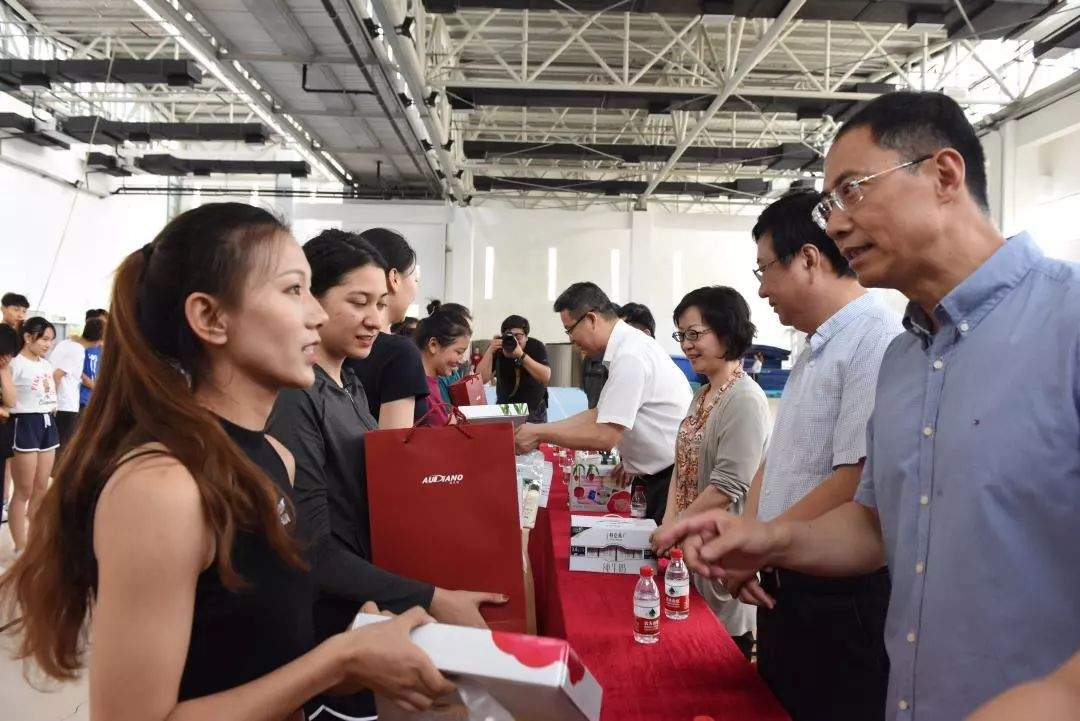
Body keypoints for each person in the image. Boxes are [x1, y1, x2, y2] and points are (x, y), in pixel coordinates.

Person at [655, 91, 1080, 721]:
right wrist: (769, 538)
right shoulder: (905, 360)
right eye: (829, 205)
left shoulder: (1067, 324)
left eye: (853, 191)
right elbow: (874, 524)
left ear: (943, 175)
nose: (835, 224)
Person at [0, 203, 455, 719]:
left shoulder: (274, 456)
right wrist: (336, 661)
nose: (318, 314)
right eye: (293, 290)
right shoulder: (165, 488)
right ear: (211, 317)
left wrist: (354, 648)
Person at [268, 232, 504, 720]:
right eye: (358, 302)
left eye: (380, 302)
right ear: (309, 299)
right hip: (330, 627)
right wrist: (434, 597)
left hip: (367, 608)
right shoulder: (297, 397)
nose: (376, 319)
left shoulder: (349, 382)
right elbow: (313, 549)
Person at [651, 286, 769, 660]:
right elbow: (681, 463)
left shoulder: (745, 399)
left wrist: (679, 525)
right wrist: (669, 524)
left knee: (719, 651)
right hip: (686, 548)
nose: (686, 344)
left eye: (695, 334)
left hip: (718, 550)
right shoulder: (701, 394)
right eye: (681, 335)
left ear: (727, 330)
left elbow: (728, 485)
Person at [515, 282, 693, 523]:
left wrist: (540, 433)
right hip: (655, 472)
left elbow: (604, 435)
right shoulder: (625, 349)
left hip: (668, 479)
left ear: (591, 319)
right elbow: (599, 414)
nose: (571, 340)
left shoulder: (630, 355)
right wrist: (540, 430)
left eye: (569, 330)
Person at [344, 227, 430, 429]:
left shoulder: (339, 347)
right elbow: (394, 451)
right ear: (394, 279)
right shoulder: (400, 353)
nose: (416, 289)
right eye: (414, 279)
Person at [7, 317, 59, 553]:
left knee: (41, 486)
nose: (48, 344)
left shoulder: (45, 365)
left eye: (51, 340)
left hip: (47, 423)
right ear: (28, 337)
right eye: (44, 339)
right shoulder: (14, 363)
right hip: (25, 422)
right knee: (24, 489)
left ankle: (35, 540)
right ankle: (20, 545)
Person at [476, 314, 551, 422]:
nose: (514, 341)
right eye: (510, 336)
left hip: (533, 409)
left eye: (518, 337)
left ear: (526, 337)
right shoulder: (498, 348)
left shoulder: (536, 346)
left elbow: (545, 377)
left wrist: (521, 355)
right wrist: (490, 351)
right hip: (505, 409)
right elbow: (480, 379)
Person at [49, 317, 105, 459]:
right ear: (100, 339)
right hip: (65, 405)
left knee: (56, 447)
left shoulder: (66, 343)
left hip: (61, 404)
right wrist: (53, 402)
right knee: (62, 448)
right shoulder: (78, 350)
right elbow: (57, 375)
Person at [414, 303, 472, 427]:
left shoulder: (432, 383)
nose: (461, 360)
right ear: (433, 345)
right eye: (459, 352)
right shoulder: (422, 390)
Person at [0, 325, 19, 526]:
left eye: (10, 354)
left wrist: (4, 371)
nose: (6, 358)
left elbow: (11, 401)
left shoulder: (4, 368)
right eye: (3, 353)